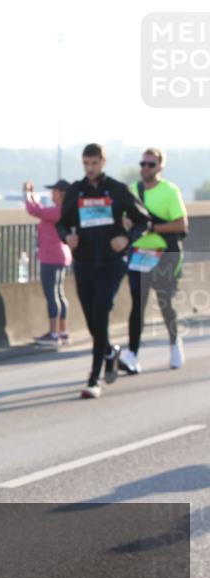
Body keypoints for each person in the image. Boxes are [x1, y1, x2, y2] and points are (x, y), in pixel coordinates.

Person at [56, 143, 151, 399]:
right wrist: (67, 237)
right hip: (84, 263)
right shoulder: (76, 191)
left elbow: (144, 220)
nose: (90, 168)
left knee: (101, 314)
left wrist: (127, 238)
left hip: (111, 263)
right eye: (86, 164)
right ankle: (110, 353)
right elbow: (61, 223)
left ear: (103, 162)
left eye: (94, 163)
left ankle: (94, 379)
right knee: (91, 320)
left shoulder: (118, 189)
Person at [120, 147, 188, 373]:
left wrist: (152, 228)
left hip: (164, 255)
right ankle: (132, 354)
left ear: (160, 167)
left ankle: (174, 342)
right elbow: (123, 219)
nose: (146, 168)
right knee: (137, 305)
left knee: (165, 303)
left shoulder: (170, 191)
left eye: (151, 164)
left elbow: (181, 224)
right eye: (143, 164)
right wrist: (127, 225)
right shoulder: (132, 190)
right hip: (139, 254)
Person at [23, 178, 72, 345]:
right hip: (61, 255)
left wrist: (27, 194)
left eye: (54, 191)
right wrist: (32, 196)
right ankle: (62, 331)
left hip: (51, 256)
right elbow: (41, 210)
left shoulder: (58, 210)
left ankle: (53, 333)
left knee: (52, 294)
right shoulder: (63, 210)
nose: (52, 193)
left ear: (62, 194)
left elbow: (35, 211)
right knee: (59, 293)